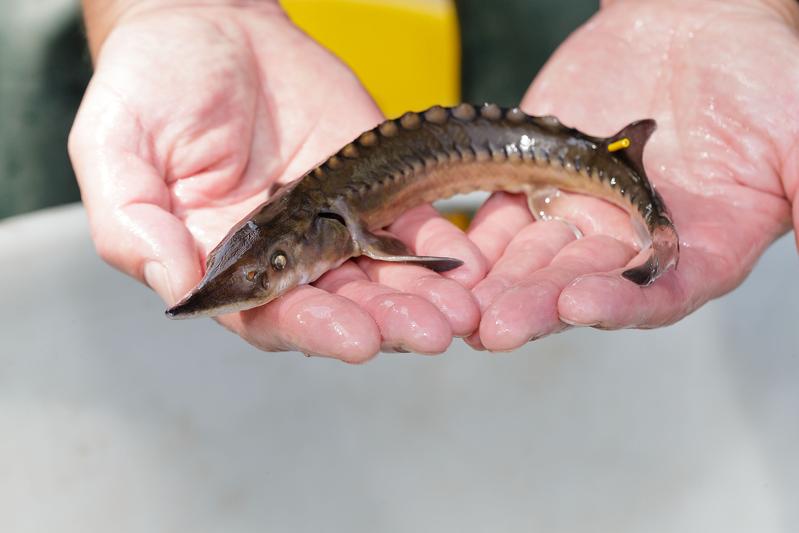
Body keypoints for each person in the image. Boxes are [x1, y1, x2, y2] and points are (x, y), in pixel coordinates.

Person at [69, 0, 799, 362]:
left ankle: (643, 210)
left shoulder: (353, 229)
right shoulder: (306, 210)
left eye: (278, 265)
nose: (272, 276)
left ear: (339, 234)